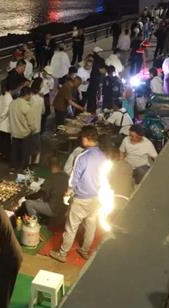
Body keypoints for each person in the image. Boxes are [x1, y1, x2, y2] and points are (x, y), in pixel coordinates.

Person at [50, 126, 108, 262]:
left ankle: (62, 254)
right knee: (91, 225)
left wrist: (68, 193)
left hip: (82, 197)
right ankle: (85, 250)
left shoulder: (82, 156)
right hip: (97, 197)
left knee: (71, 226)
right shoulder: (103, 156)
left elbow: (74, 178)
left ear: (86, 139)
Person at [9, 87, 36, 173]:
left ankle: (12, 167)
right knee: (25, 152)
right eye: (30, 95)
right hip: (24, 133)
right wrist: (32, 129)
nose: (30, 97)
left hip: (14, 131)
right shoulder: (26, 106)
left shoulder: (12, 103)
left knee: (14, 151)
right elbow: (31, 122)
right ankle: (24, 168)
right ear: (27, 95)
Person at [28, 77, 46, 166]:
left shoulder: (28, 97)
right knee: (36, 145)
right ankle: (35, 161)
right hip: (36, 126)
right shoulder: (40, 99)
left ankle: (28, 161)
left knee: (27, 144)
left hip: (27, 125)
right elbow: (43, 111)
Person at [0, 82, 13, 161]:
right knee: (6, 139)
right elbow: (7, 110)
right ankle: (5, 155)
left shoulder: (1, 96)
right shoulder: (9, 97)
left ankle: (0, 152)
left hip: (1, 121)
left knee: (2, 137)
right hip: (6, 122)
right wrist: (1, 117)